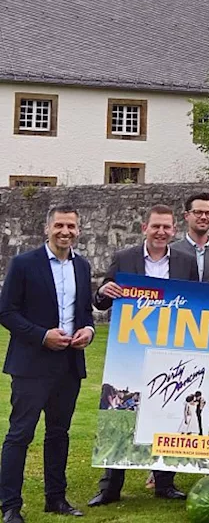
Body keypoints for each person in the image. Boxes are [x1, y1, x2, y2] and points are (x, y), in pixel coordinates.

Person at [89, 204, 198, 506]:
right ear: (144, 229)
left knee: (168, 412)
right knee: (121, 414)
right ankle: (110, 487)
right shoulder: (124, 259)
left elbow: (196, 302)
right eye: (156, 227)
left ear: (174, 230)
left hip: (171, 349)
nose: (161, 232)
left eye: (166, 227)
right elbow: (101, 301)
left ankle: (164, 481)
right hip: (132, 349)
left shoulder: (186, 262)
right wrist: (103, 292)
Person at [0, 206, 95, 523]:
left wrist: (88, 331)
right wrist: (42, 336)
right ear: (47, 228)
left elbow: (83, 311)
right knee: (20, 435)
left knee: (59, 433)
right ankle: (10, 506)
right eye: (59, 225)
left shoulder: (82, 266)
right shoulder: (24, 264)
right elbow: (7, 312)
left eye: (71, 226)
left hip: (68, 365)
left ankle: (56, 499)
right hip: (31, 365)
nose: (65, 231)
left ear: (78, 230)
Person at [172, 192, 209, 282]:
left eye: (208, 213)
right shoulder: (172, 252)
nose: (203, 217)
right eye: (198, 212)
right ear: (186, 216)